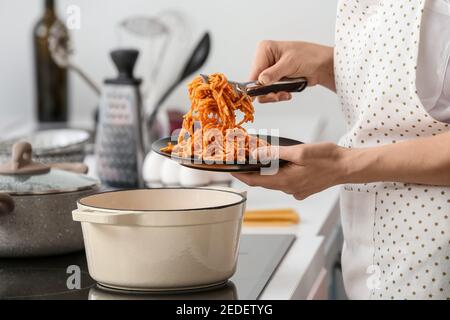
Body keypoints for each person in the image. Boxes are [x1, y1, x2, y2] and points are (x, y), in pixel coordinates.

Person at [232, 0, 450, 299]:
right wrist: (326, 65)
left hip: (437, 253)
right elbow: (415, 93)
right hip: (375, 248)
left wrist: (345, 166)